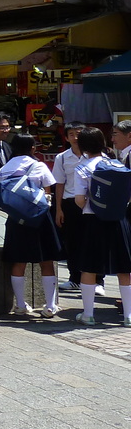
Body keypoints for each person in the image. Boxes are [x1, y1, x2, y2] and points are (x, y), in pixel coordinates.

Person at [0, 134, 62, 317]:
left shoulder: (3, 170)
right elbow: (48, 191)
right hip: (40, 218)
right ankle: (49, 306)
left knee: (19, 261)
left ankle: (20, 304)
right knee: (47, 260)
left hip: (16, 218)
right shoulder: (39, 166)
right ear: (32, 148)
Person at [73, 126, 131, 326]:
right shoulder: (115, 164)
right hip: (118, 219)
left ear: (83, 146)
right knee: (125, 267)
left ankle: (88, 314)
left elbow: (80, 200)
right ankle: (128, 316)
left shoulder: (81, 168)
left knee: (89, 266)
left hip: (93, 220)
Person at [53, 123, 86, 293]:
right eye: (71, 134)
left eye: (79, 133)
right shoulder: (62, 158)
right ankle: (74, 278)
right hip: (70, 203)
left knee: (92, 240)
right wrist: (58, 209)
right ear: (66, 137)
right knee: (71, 242)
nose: (75, 137)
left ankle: (98, 280)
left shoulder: (95, 155)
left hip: (90, 203)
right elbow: (59, 184)